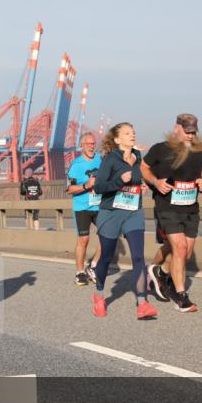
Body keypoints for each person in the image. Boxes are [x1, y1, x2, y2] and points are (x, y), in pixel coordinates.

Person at [141, 114, 202, 313]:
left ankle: (161, 271)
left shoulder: (200, 150)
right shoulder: (160, 149)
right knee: (179, 248)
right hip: (167, 206)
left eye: (193, 132)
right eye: (187, 131)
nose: (191, 135)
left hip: (190, 207)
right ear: (177, 128)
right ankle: (181, 296)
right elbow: (144, 168)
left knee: (185, 252)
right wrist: (155, 182)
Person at [90, 122, 158, 320]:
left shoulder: (138, 157)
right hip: (111, 212)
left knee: (138, 257)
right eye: (127, 133)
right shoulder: (111, 159)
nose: (132, 135)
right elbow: (100, 186)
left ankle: (142, 303)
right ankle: (99, 295)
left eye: (133, 132)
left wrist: (141, 185)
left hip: (133, 211)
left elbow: (137, 180)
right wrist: (121, 180)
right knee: (106, 257)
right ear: (118, 139)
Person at [66, 132, 101, 286]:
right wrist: (86, 185)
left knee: (107, 238)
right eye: (88, 144)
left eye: (93, 143)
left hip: (100, 205)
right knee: (84, 240)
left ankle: (92, 266)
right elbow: (69, 189)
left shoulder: (101, 159)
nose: (91, 146)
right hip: (82, 207)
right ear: (81, 146)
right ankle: (79, 272)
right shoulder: (76, 165)